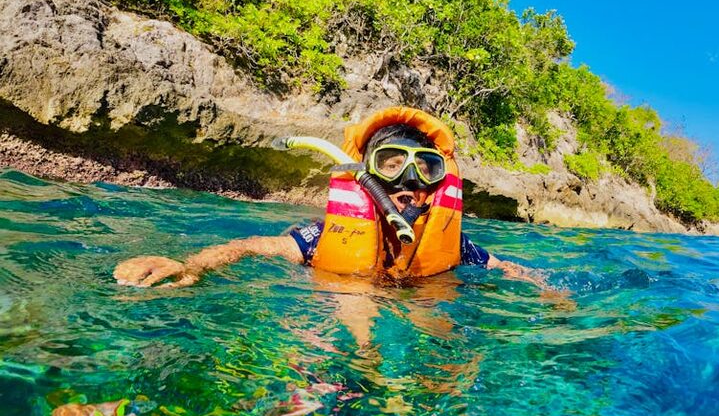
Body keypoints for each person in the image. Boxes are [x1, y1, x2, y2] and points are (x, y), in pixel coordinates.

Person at [114, 107, 555, 293]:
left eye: (426, 169)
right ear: (364, 174)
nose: (409, 181)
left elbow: (507, 268)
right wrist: (190, 266)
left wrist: (551, 294)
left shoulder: (453, 248)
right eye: (391, 164)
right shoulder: (328, 235)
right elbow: (249, 246)